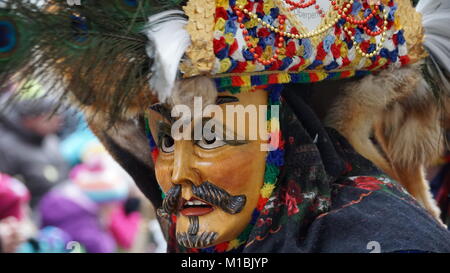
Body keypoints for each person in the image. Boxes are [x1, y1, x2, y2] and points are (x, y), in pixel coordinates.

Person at [3, 0, 450, 253]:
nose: (176, 174)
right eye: (162, 139)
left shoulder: (385, 241)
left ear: (280, 138)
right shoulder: (219, 242)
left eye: (211, 135)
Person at [0, 96, 69, 207]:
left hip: (60, 206)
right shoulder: (6, 148)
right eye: (50, 117)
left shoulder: (50, 139)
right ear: (29, 120)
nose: (58, 120)